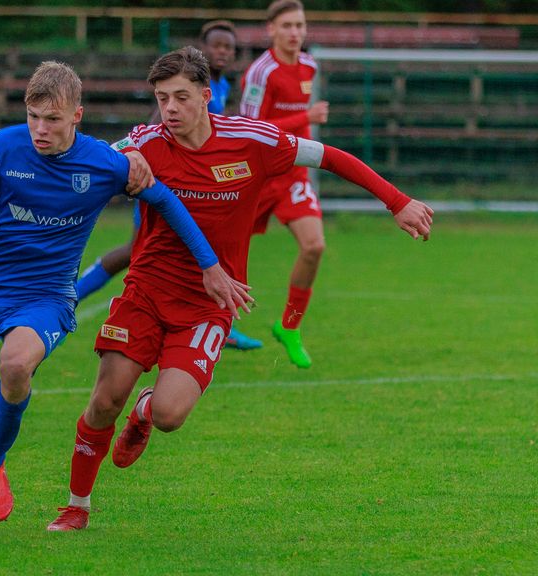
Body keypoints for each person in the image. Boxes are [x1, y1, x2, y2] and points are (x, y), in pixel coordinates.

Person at [47, 47, 433, 531]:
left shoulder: (252, 140)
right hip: (145, 291)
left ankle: (144, 411)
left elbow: (329, 157)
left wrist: (397, 202)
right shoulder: (144, 143)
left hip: (210, 301)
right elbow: (86, 164)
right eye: (162, 98)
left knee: (168, 415)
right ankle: (76, 506)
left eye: (181, 97)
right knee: (105, 400)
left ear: (206, 96)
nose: (170, 108)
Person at [0, 61, 252, 529]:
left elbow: (166, 201)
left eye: (52, 119)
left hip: (48, 295)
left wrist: (209, 265)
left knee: (16, 364)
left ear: (77, 115)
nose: (40, 129)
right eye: (33, 117)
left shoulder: (103, 164)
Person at [73, 20, 262, 350]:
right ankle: (73, 297)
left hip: (194, 188)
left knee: (199, 249)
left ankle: (215, 321)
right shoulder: (181, 88)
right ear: (203, 48)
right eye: (216, 45)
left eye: (229, 48)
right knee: (138, 252)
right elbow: (155, 129)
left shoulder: (220, 87)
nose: (223, 52)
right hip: (162, 184)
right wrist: (139, 157)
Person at [239, 0, 331, 368]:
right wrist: (305, 118)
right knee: (224, 249)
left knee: (314, 246)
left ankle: (289, 326)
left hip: (293, 174)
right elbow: (249, 130)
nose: (295, 32)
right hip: (258, 176)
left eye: (300, 25)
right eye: (288, 25)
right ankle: (202, 321)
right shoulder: (261, 73)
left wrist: (303, 122)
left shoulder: (309, 65)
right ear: (271, 30)